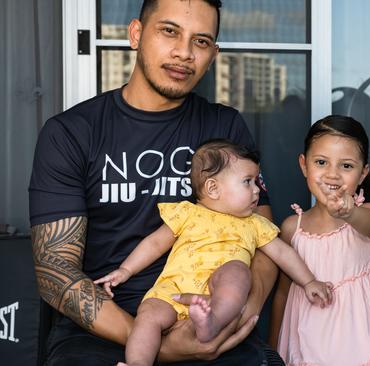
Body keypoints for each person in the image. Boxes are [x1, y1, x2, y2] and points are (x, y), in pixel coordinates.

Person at [28, 0, 285, 364]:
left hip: (207, 321)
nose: (183, 52)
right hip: (103, 328)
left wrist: (243, 313)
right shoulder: (71, 133)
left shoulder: (225, 128)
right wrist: (153, 345)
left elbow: (264, 236)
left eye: (200, 41)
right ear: (136, 34)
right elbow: (55, 270)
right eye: (169, 31)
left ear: (213, 54)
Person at [94, 140, 332, 366]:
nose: (257, 190)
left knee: (237, 272)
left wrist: (308, 281)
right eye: (247, 182)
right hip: (173, 292)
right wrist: (125, 270)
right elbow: (155, 243)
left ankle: (211, 321)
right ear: (213, 188)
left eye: (256, 182)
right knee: (147, 316)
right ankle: (137, 362)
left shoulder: (254, 224)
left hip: (216, 298)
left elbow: (283, 253)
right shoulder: (187, 213)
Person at [269, 115, 370, 365]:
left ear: (363, 173)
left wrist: (349, 212)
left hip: (361, 338)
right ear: (304, 165)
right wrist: (273, 350)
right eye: (321, 162)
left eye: (346, 166)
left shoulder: (367, 213)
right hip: (308, 339)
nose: (332, 175)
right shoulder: (292, 228)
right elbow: (282, 293)